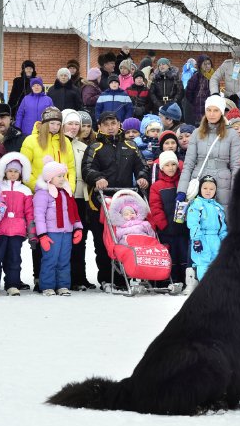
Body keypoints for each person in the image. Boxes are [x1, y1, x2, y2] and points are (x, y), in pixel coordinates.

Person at [81, 112, 150, 290]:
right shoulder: (94, 147)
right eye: (106, 124)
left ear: (119, 124)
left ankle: (126, 277)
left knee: (126, 240)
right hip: (101, 203)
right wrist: (97, 178)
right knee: (103, 243)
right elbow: (87, 169)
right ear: (100, 127)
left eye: (113, 123)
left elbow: (142, 166)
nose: (110, 127)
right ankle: (106, 278)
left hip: (126, 204)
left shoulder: (130, 145)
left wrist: (142, 177)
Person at [176, 95, 240, 210]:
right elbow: (188, 164)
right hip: (199, 180)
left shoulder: (232, 134)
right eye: (209, 110)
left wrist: (236, 191)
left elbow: (235, 166)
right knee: (198, 220)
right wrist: (182, 190)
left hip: (223, 185)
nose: (211, 114)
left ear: (221, 112)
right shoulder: (197, 133)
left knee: (222, 221)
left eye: (215, 110)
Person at [33, 157, 82, 296]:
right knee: (50, 259)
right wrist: (42, 235)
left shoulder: (67, 192)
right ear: (49, 178)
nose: (62, 179)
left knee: (64, 259)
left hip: (66, 232)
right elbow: (39, 215)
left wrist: (78, 228)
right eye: (58, 176)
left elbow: (74, 212)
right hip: (51, 233)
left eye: (63, 176)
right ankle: (47, 286)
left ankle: (63, 285)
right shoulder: (43, 194)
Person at [0, 152, 35, 297]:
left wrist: (31, 232)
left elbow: (29, 212)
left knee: (14, 258)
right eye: (10, 171)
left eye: (16, 172)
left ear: (21, 174)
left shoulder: (25, 190)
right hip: (0, 229)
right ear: (5, 172)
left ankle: (12, 284)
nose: (13, 174)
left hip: (17, 231)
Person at [62, 109, 95, 291]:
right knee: (61, 238)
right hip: (60, 196)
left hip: (80, 196)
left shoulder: (83, 147)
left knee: (79, 238)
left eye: (77, 124)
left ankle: (79, 276)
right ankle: (63, 277)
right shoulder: (56, 144)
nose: (74, 128)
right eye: (70, 123)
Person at [149, 151, 188, 287]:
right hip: (166, 229)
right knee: (170, 255)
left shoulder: (182, 184)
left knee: (183, 253)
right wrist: (163, 225)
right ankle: (170, 279)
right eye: (167, 165)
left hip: (183, 227)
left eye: (173, 164)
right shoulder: (157, 187)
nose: (171, 168)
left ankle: (184, 279)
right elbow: (155, 208)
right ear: (161, 168)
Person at [21, 107, 76, 193]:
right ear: (45, 123)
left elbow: (71, 168)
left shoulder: (66, 141)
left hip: (63, 192)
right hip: (40, 193)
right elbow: (24, 168)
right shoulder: (30, 140)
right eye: (52, 123)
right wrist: (40, 187)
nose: (55, 127)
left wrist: (70, 188)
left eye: (58, 124)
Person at [186, 175, 227, 280]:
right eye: (205, 188)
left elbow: (222, 226)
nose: (208, 191)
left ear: (215, 191)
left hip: (215, 239)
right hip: (202, 238)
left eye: (211, 189)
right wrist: (196, 240)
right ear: (200, 189)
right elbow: (193, 223)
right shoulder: (196, 204)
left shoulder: (217, 207)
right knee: (203, 263)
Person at [184, 55, 214, 124]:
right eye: (204, 64)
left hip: (210, 112)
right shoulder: (195, 77)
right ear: (200, 65)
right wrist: (196, 103)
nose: (207, 66)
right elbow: (188, 94)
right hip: (198, 113)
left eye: (209, 64)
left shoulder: (214, 77)